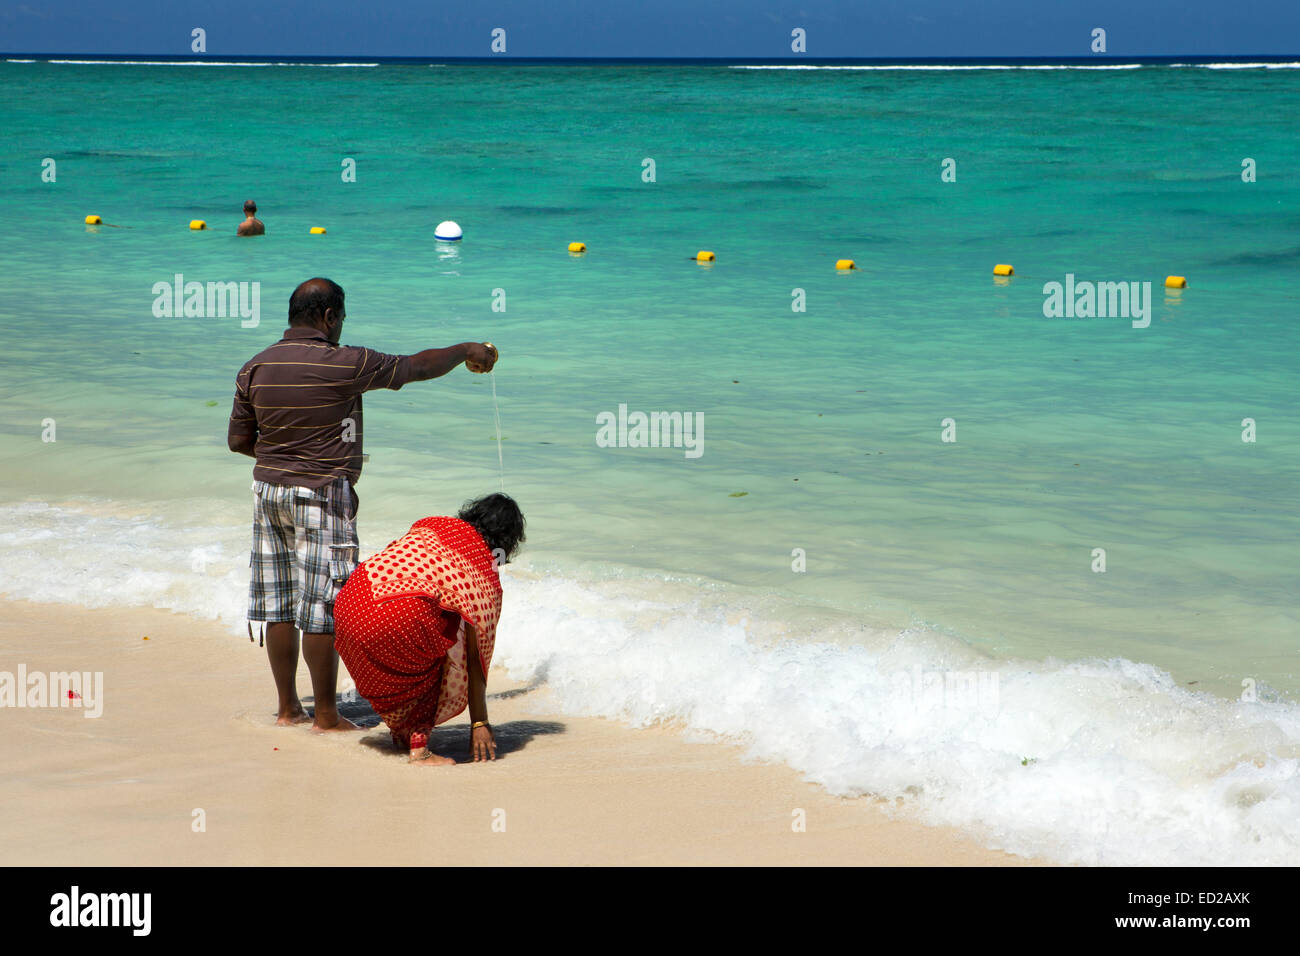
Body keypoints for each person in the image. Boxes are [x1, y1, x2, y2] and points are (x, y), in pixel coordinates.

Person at [227, 277, 498, 732]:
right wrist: (466, 348)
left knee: (278, 601)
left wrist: (287, 454)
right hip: (322, 491)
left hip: (267, 492)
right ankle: (328, 717)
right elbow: (414, 368)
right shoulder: (345, 362)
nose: (341, 327)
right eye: (341, 319)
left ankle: (288, 709)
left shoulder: (254, 366)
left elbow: (239, 442)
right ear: (329, 317)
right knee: (321, 602)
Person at [333, 494, 525, 765]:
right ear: (507, 541)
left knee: (431, 623)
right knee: (442, 656)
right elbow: (475, 657)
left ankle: (403, 732)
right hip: (394, 620)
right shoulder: (484, 573)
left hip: (351, 601)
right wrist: (480, 722)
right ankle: (419, 750)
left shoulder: (433, 524)